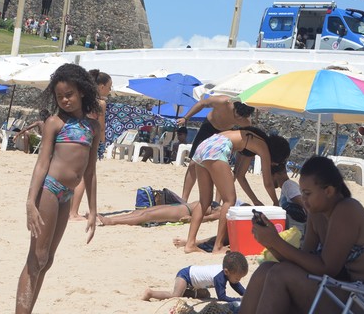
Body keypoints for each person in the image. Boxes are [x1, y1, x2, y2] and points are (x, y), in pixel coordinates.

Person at [239, 157, 364, 314]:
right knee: (266, 269)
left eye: (307, 193)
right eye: (302, 193)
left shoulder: (347, 210)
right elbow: (302, 262)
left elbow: (327, 267)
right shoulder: (317, 215)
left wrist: (276, 241)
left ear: (329, 191)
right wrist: (270, 242)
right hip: (340, 290)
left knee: (279, 275)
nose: (303, 199)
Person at [15, 63, 101, 314]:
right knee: (37, 258)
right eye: (59, 96)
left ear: (82, 92)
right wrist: (30, 202)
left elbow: (90, 171)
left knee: (48, 260)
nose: (64, 100)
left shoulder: (92, 127)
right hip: (50, 190)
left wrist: (92, 209)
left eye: (69, 94)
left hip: (67, 195)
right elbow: (42, 163)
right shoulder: (55, 123)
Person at [182, 133, 290, 254]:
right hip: (217, 149)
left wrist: (254, 200)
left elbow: (240, 176)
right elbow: (268, 183)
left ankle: (190, 244)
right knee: (230, 200)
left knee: (204, 201)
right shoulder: (263, 146)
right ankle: (218, 246)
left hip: (204, 145)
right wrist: (275, 202)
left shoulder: (250, 139)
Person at [178, 97, 256, 201]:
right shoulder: (223, 102)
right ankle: (184, 198)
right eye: (236, 113)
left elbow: (245, 140)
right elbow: (202, 103)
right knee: (193, 163)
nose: (237, 117)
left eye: (241, 117)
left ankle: (217, 202)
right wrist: (186, 118)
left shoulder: (246, 122)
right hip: (208, 127)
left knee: (222, 168)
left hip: (225, 134)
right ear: (234, 105)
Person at [69, 68, 112, 219]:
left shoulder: (82, 100)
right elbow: (100, 126)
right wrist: (103, 142)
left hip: (75, 138)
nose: (110, 90)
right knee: (84, 176)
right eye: (109, 87)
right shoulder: (100, 103)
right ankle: (73, 212)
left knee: (74, 174)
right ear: (101, 87)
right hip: (89, 140)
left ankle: (69, 209)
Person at [142, 251, 248, 310]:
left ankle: (186, 292)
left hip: (194, 284)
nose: (238, 280)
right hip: (186, 275)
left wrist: (247, 294)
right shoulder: (219, 278)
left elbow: (235, 284)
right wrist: (238, 300)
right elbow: (222, 297)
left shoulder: (228, 272)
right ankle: (150, 293)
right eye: (238, 278)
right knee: (175, 295)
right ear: (226, 272)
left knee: (205, 295)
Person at [99, 196, 221, 227]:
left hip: (181, 212)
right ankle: (115, 219)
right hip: (181, 207)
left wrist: (190, 219)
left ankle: (112, 221)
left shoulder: (220, 212)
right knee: (141, 212)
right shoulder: (223, 205)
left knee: (147, 216)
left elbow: (207, 218)